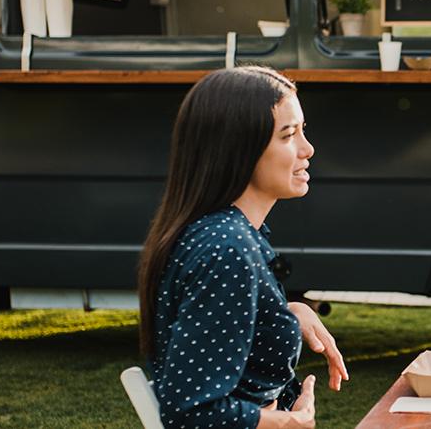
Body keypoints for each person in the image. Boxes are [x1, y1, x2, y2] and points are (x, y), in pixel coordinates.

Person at [136, 66, 349, 428]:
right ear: (238, 149)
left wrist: (287, 312)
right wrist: (288, 422)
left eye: (303, 131)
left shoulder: (229, 232)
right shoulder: (226, 247)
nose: (307, 149)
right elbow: (189, 413)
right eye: (288, 135)